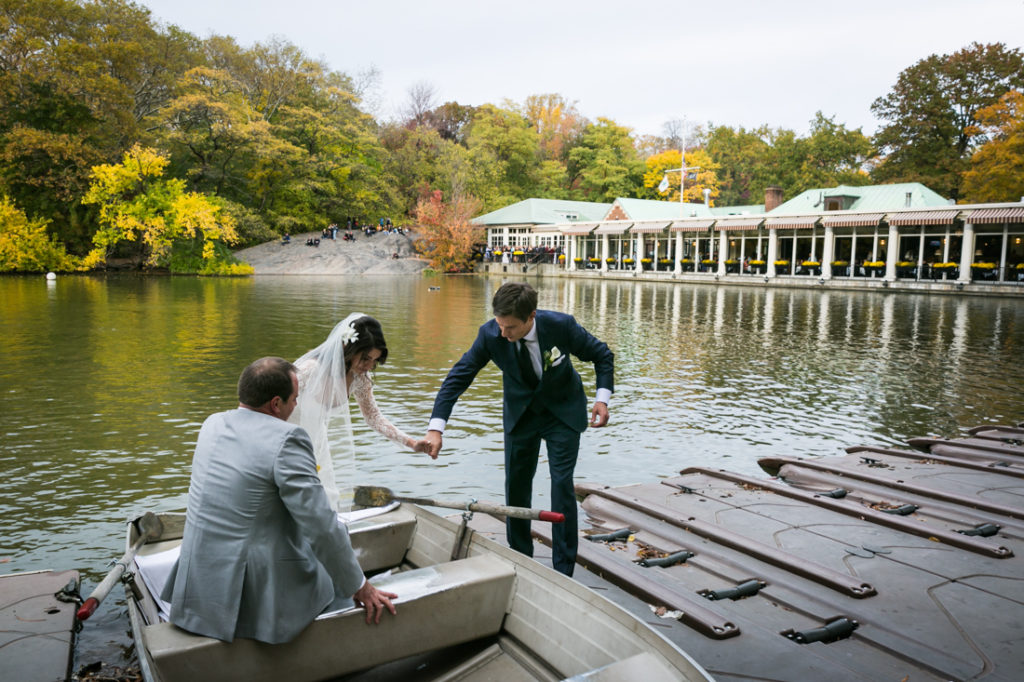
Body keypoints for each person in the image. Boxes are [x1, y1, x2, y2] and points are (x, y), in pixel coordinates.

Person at [161, 357, 397, 643]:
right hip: (249, 582)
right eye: (294, 399)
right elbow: (320, 525)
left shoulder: (213, 423)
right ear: (275, 404)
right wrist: (360, 585)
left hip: (198, 577)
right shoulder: (288, 439)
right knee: (334, 541)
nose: (297, 405)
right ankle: (343, 636)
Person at [423, 283, 614, 576]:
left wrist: (602, 400)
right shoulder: (490, 334)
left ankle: (563, 568)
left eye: (510, 327)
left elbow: (602, 355)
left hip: (562, 412)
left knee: (562, 484)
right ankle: (521, 557)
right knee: (516, 484)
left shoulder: (562, 326)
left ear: (531, 317)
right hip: (521, 416)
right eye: (500, 325)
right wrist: (436, 428)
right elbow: (458, 377)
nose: (503, 333)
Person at [291, 314, 431, 510]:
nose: (368, 366)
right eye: (365, 358)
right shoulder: (309, 370)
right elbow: (274, 404)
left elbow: (373, 417)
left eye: (374, 361)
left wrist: (411, 443)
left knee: (326, 499)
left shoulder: (359, 379)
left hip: (317, 443)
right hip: (288, 439)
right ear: (349, 348)